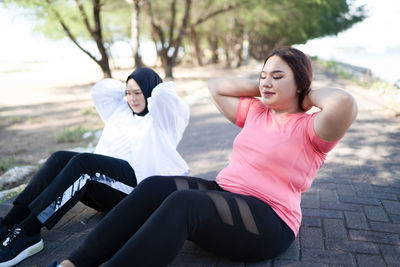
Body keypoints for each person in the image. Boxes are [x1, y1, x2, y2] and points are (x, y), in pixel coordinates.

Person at [52, 47, 358, 267]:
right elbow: (217, 87)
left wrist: (304, 94)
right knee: (154, 187)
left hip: (269, 220)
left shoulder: (312, 129)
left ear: (301, 83)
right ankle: (73, 263)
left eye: (278, 76)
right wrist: (267, 87)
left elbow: (343, 101)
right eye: (263, 75)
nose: (266, 82)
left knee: (183, 204)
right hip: (225, 194)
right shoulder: (257, 111)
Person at [0, 67, 190, 267]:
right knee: (59, 157)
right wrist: (131, 89)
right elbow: (101, 90)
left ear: (150, 92)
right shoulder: (121, 112)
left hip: (137, 193)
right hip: (106, 185)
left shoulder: (163, 119)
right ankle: (11, 222)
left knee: (84, 163)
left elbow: (165, 96)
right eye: (128, 93)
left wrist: (151, 87)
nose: (132, 99)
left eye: (138, 93)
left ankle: (29, 231)